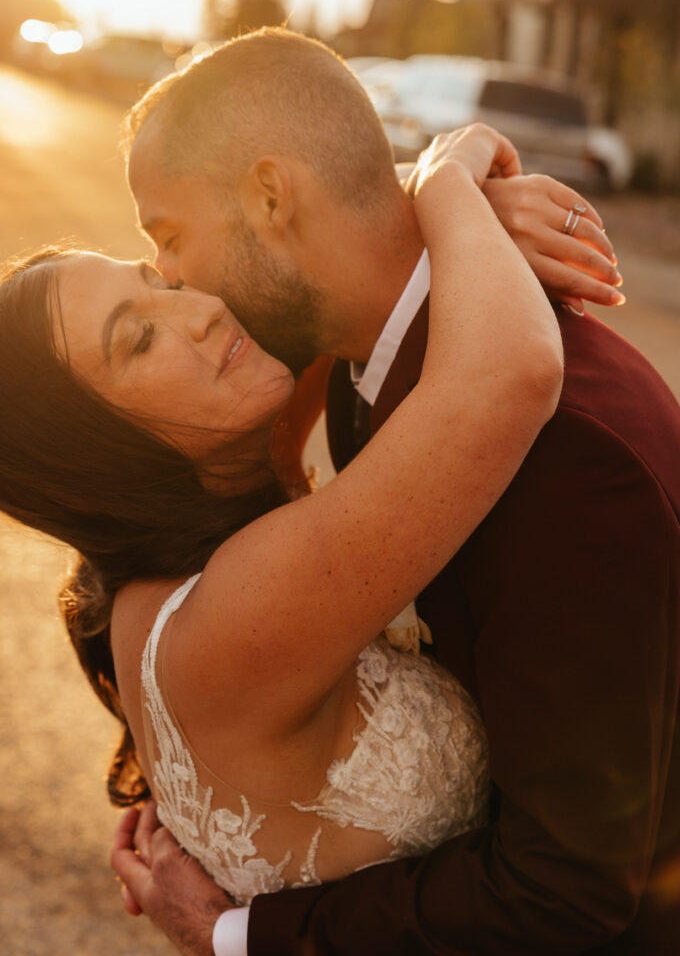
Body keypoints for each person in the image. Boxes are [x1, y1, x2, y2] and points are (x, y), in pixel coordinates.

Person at [111, 29, 680, 955]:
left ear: (268, 198)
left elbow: (565, 888)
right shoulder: (350, 370)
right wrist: (445, 186)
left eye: (168, 238)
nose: (174, 282)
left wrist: (238, 934)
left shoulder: (573, 457)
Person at [0, 125, 564, 924]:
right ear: (94, 454)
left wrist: (447, 214)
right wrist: (448, 183)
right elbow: (512, 371)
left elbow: (309, 230)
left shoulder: (203, 508)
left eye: (156, 283)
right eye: (137, 339)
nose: (193, 311)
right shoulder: (232, 610)